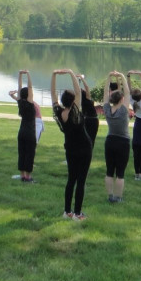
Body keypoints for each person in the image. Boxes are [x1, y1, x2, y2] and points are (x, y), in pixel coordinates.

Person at [52, 69, 93, 220]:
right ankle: (77, 214)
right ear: (73, 100)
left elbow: (52, 95)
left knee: (71, 180)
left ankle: (67, 211)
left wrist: (54, 76)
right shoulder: (76, 111)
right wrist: (70, 72)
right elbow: (78, 91)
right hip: (84, 149)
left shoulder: (59, 112)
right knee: (80, 181)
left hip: (70, 149)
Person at [104, 72, 130, 203]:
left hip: (110, 141)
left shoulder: (107, 110)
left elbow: (105, 93)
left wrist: (109, 78)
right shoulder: (124, 110)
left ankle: (110, 196)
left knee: (109, 171)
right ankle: (118, 198)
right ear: (122, 100)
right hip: (123, 142)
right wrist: (122, 77)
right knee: (120, 173)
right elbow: (128, 92)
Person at [9, 70, 37, 182]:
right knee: (30, 154)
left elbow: (20, 87)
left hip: (21, 132)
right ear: (29, 95)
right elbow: (30, 87)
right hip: (30, 133)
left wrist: (20, 74)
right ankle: (28, 177)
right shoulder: (30, 103)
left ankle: (22, 175)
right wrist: (28, 74)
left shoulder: (20, 102)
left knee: (22, 153)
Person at [78, 74, 100, 150]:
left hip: (87, 119)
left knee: (86, 137)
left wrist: (79, 80)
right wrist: (81, 78)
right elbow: (87, 87)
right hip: (93, 120)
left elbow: (78, 90)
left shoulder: (82, 102)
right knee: (91, 137)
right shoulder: (88, 99)